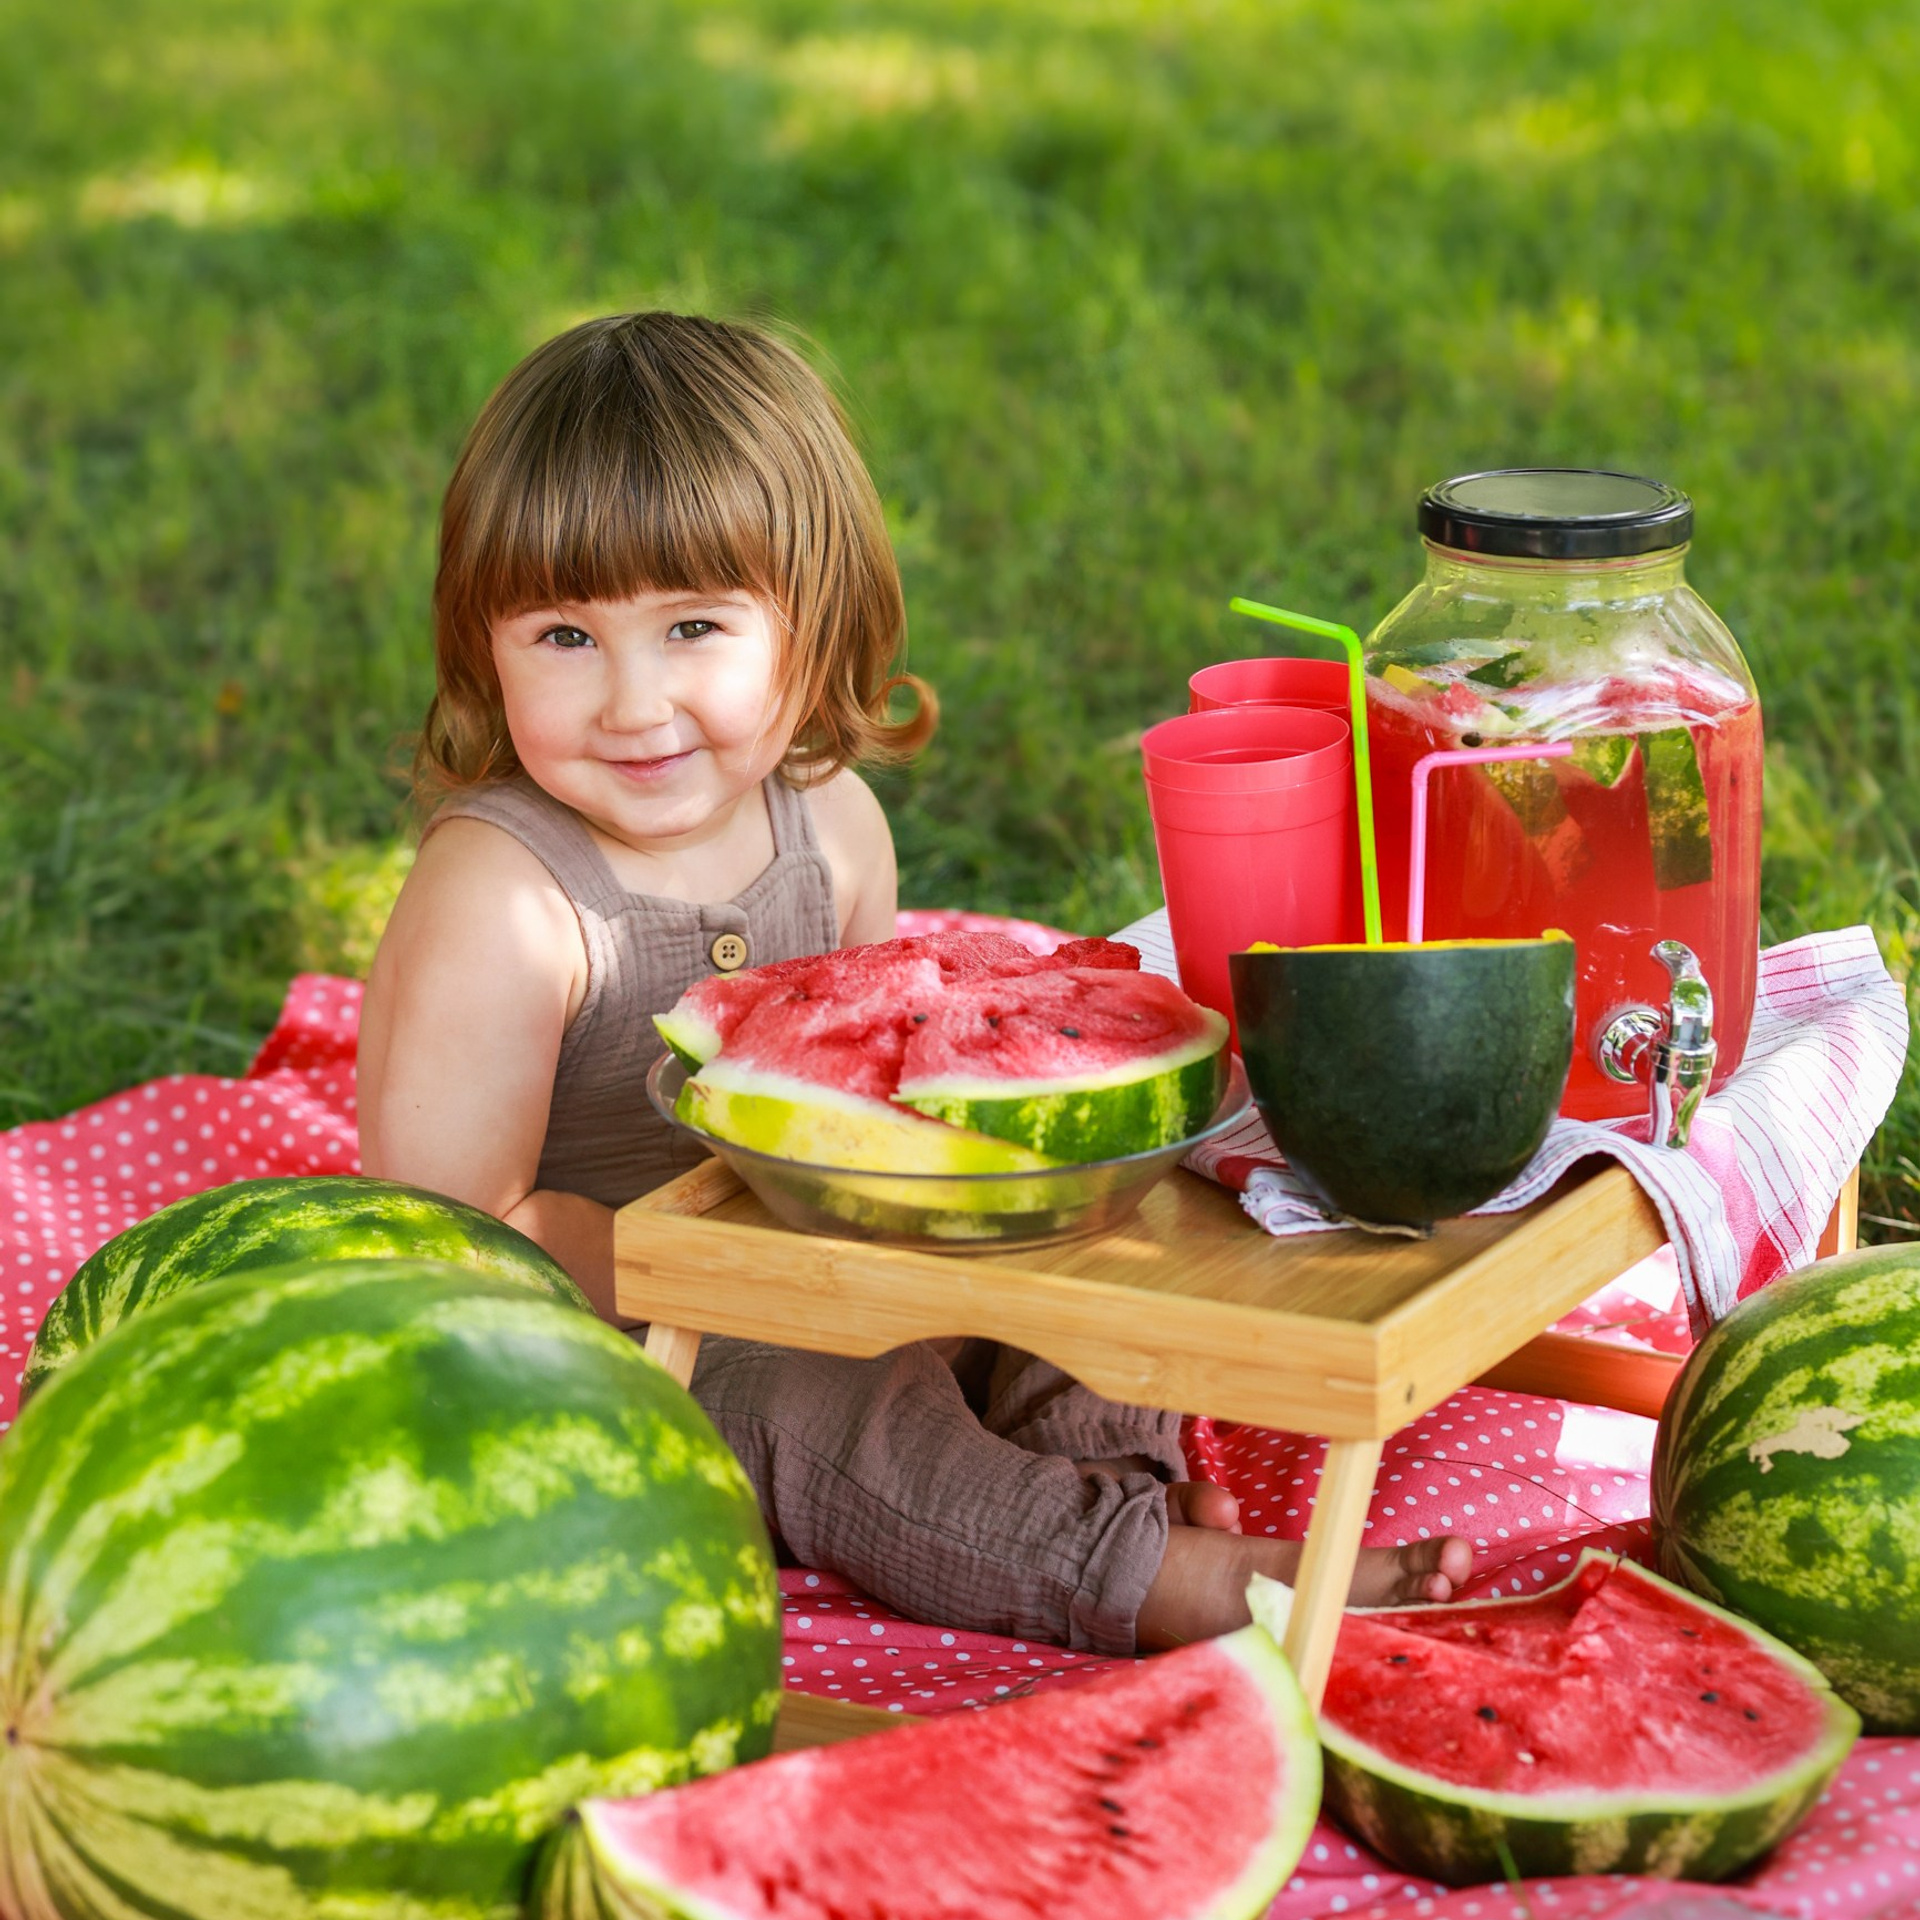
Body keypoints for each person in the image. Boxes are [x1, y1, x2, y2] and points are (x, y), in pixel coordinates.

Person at [357, 310, 1470, 1654]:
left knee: (1085, 1249)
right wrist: (730, 1274)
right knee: (824, 1411)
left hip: (852, 1266)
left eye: (694, 625)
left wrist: (942, 1253)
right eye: (563, 637)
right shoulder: (506, 898)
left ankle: (1123, 1485)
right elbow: (451, 1238)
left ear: (813, 624)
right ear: (484, 644)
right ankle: (1143, 1577)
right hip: (609, 1352)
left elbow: (892, 1085)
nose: (633, 702)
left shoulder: (831, 828)